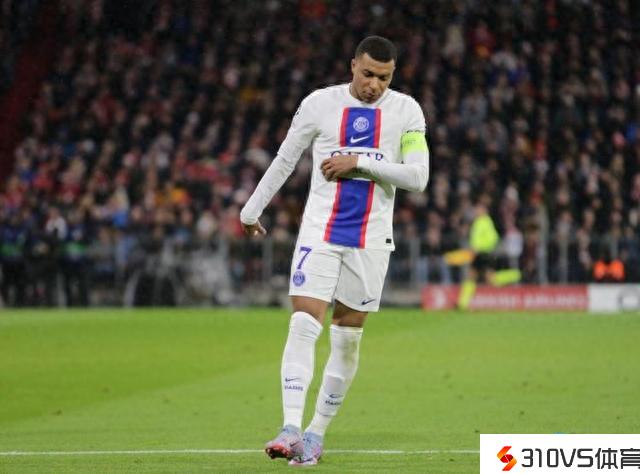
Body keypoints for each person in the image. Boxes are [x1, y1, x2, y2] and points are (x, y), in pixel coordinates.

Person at [239, 36, 429, 466]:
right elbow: (285, 159)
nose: (374, 85)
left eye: (384, 78)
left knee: (345, 342)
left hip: (370, 241)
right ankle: (290, 428)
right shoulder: (319, 104)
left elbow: (418, 178)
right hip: (319, 234)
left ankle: (315, 434)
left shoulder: (407, 111)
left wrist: (358, 163)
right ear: (353, 66)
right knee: (303, 324)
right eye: (368, 74)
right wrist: (252, 209)